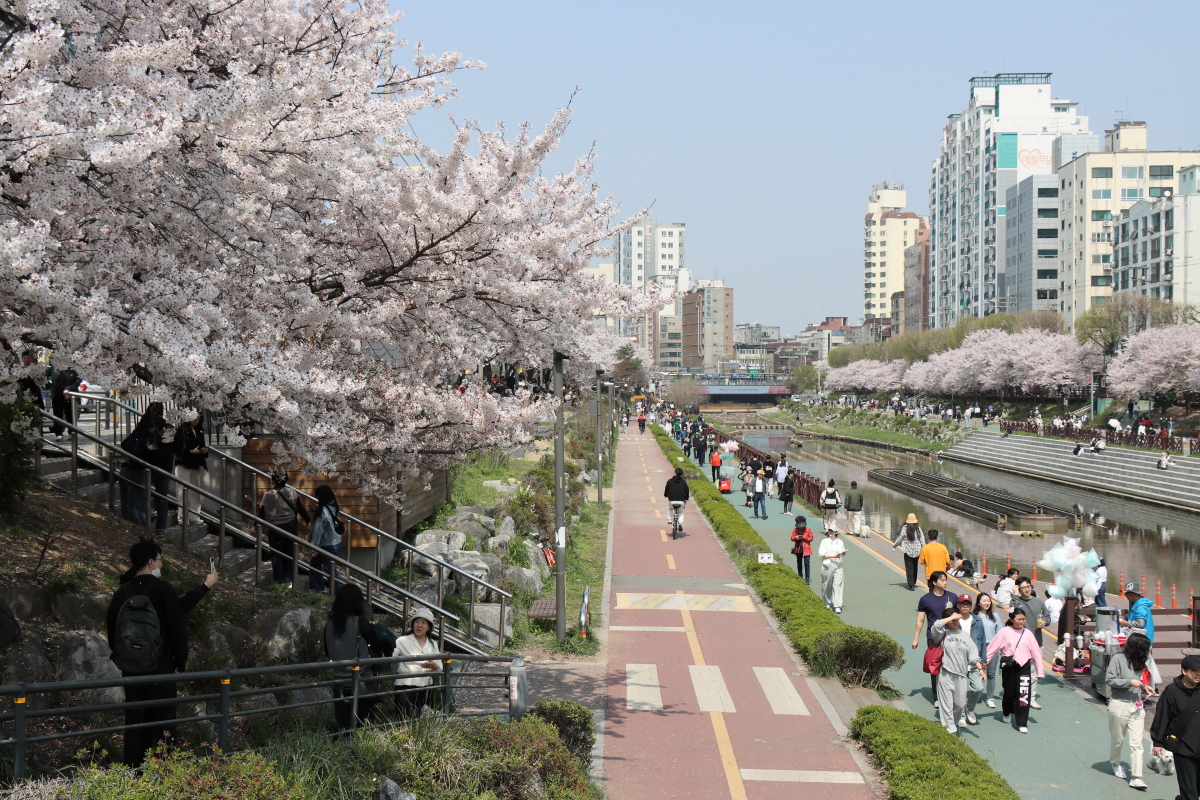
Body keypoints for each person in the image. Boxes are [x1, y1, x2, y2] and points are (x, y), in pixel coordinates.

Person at [106, 538, 217, 766]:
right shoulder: (162, 589)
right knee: (164, 720)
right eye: (160, 560)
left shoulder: (122, 592)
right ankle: (162, 771)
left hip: (131, 668)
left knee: (135, 720)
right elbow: (177, 625)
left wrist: (123, 658)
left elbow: (112, 630)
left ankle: (133, 773)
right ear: (151, 562)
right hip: (161, 665)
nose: (162, 564)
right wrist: (180, 662)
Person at [324, 584, 389, 733]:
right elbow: (377, 646)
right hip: (363, 684)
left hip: (339, 683)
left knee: (344, 729)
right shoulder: (360, 622)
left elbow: (328, 652)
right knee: (363, 729)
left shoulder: (329, 625)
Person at [1106, 633, 1155, 790]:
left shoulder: (1140, 662)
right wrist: (1130, 682)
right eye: (1145, 649)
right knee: (1118, 739)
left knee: (1137, 743)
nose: (1147, 652)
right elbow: (1109, 680)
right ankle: (1115, 762)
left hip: (1137, 705)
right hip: (1119, 704)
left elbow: (1138, 682)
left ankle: (1136, 777)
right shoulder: (1118, 659)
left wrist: (1143, 686)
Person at [930, 604, 986, 734]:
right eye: (952, 620)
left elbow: (973, 655)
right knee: (946, 705)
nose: (955, 622)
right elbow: (936, 625)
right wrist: (951, 616)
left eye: (956, 619)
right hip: (945, 674)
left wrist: (980, 670)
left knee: (960, 705)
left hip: (961, 675)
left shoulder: (965, 635)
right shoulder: (942, 634)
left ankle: (953, 724)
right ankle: (950, 730)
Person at [1151, 654, 1200, 800]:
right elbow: (1163, 715)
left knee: (1195, 790)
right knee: (1189, 792)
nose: (1198, 674)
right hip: (1183, 747)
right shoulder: (1172, 691)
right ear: (1184, 671)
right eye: (1195, 671)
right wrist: (1158, 742)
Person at [986, 608, 1043, 733]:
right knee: (1009, 692)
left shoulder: (1028, 633)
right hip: (1009, 666)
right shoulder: (1004, 632)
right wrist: (984, 663)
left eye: (1024, 619)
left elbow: (1036, 652)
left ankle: (1022, 722)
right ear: (1011, 619)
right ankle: (1006, 712)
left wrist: (1040, 671)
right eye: (1019, 619)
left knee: (1023, 694)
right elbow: (992, 648)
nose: (1022, 621)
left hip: (1024, 666)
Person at [257, 468, 310, 586]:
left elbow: (261, 513)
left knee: (276, 554)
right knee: (289, 552)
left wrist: (256, 525)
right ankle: (288, 579)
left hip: (275, 527)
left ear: (273, 480)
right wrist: (308, 521)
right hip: (290, 525)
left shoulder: (268, 495)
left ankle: (278, 580)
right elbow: (300, 508)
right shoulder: (292, 492)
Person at [912, 571, 956, 707]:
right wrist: (916, 638)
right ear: (934, 582)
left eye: (946, 580)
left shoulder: (953, 597)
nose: (945, 582)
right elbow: (920, 620)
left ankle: (950, 694)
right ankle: (937, 697)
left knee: (951, 665)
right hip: (934, 637)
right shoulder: (925, 599)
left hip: (951, 636)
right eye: (942, 580)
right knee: (935, 666)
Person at [393, 608, 440, 719]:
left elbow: (440, 667)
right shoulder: (402, 641)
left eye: (424, 623)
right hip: (405, 686)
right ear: (412, 624)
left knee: (423, 722)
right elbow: (391, 659)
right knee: (405, 719)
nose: (419, 625)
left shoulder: (433, 644)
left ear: (429, 627)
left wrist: (433, 665)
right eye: (417, 622)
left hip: (426, 687)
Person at [119, 413, 161, 526]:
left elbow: (124, 445)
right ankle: (138, 528)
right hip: (137, 470)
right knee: (138, 502)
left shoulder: (134, 435)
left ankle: (127, 524)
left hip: (125, 468)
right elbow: (151, 454)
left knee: (127, 502)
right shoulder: (148, 439)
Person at [1012, 577, 1047, 709]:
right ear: (1018, 589)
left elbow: (1048, 616)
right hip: (1019, 644)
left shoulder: (1039, 602)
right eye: (1023, 587)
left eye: (1028, 586)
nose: (1027, 589)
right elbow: (1012, 613)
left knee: (1033, 671)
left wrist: (1046, 622)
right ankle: (1017, 695)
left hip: (1037, 642)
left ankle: (1031, 698)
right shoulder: (1016, 602)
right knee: (1018, 671)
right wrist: (1015, 596)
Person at [172, 409, 209, 520]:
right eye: (195, 418)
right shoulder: (182, 430)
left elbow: (202, 444)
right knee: (182, 492)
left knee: (196, 492)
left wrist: (204, 450)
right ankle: (182, 517)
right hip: (184, 463)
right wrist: (189, 452)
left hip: (196, 463)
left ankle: (195, 517)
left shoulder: (199, 431)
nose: (197, 421)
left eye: (199, 419)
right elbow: (176, 449)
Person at [308, 485, 343, 592]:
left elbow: (318, 530)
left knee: (330, 570)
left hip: (327, 544)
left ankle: (339, 593)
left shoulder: (323, 510)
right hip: (336, 541)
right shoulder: (334, 505)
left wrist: (314, 546)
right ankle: (317, 587)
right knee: (315, 563)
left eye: (318, 496)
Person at [971, 593, 1003, 709]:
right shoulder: (973, 616)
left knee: (991, 674)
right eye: (984, 601)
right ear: (978, 602)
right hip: (978, 646)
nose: (986, 603)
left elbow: (1000, 633)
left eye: (988, 601)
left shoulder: (995, 616)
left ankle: (990, 697)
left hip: (992, 647)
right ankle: (976, 691)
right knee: (975, 671)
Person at [892, 514, 925, 591]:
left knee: (909, 567)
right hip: (917, 551)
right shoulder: (918, 529)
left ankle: (911, 585)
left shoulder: (905, 528)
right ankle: (914, 581)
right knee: (915, 566)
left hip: (907, 551)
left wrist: (894, 546)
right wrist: (925, 549)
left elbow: (900, 538)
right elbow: (922, 540)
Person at [819, 524, 846, 614]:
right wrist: (833, 556)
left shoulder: (840, 541)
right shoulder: (824, 541)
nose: (830, 532)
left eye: (832, 531)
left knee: (837, 585)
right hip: (827, 564)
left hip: (838, 564)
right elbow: (822, 555)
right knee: (827, 584)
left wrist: (842, 553)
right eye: (829, 530)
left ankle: (837, 605)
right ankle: (827, 602)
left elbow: (842, 551)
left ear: (836, 532)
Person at [790, 515, 814, 585]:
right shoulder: (795, 530)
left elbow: (811, 538)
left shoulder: (808, 529)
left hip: (806, 549)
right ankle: (800, 576)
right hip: (798, 548)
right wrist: (796, 538)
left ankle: (807, 578)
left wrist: (804, 537)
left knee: (807, 563)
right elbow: (792, 538)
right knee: (799, 563)